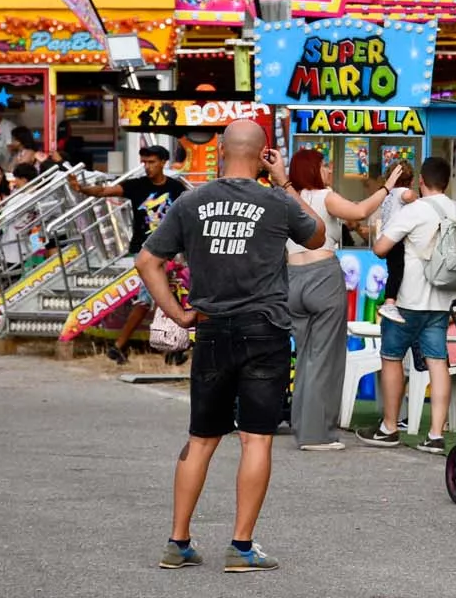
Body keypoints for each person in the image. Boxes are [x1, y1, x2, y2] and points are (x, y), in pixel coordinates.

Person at [134, 120, 325, 574]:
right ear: (262, 155)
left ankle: (177, 541)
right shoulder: (277, 200)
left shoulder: (190, 201)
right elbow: (316, 235)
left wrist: (180, 314)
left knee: (201, 439)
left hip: (213, 328)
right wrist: (284, 181)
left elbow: (148, 262)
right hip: (265, 330)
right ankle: (241, 548)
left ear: (220, 150)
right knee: (256, 438)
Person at [283, 149, 406, 452]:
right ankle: (318, 435)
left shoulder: (286, 198)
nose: (327, 171)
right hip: (322, 277)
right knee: (326, 359)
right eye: (324, 166)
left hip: (292, 279)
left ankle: (302, 425)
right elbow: (361, 210)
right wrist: (387, 186)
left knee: (306, 357)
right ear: (313, 170)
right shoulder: (324, 196)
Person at [358, 156, 456, 454]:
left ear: (421, 180)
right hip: (442, 300)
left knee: (392, 357)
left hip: (407, 299)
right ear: (447, 182)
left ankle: (389, 427)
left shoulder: (416, 209)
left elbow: (380, 248)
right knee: (437, 362)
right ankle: (435, 435)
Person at [71, 145, 189, 365]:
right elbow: (106, 191)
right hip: (146, 251)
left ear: (163, 162)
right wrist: (82, 189)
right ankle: (125, 346)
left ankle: (169, 347)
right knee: (149, 300)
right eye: (144, 162)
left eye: (152, 162)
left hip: (169, 252)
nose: (147, 167)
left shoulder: (176, 188)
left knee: (167, 299)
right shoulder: (137, 186)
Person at [373, 159, 418, 324]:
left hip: (386, 238)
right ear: (411, 181)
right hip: (395, 239)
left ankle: (391, 300)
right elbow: (408, 195)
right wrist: (420, 199)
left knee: (393, 271)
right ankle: (390, 301)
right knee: (397, 271)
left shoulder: (387, 194)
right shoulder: (401, 192)